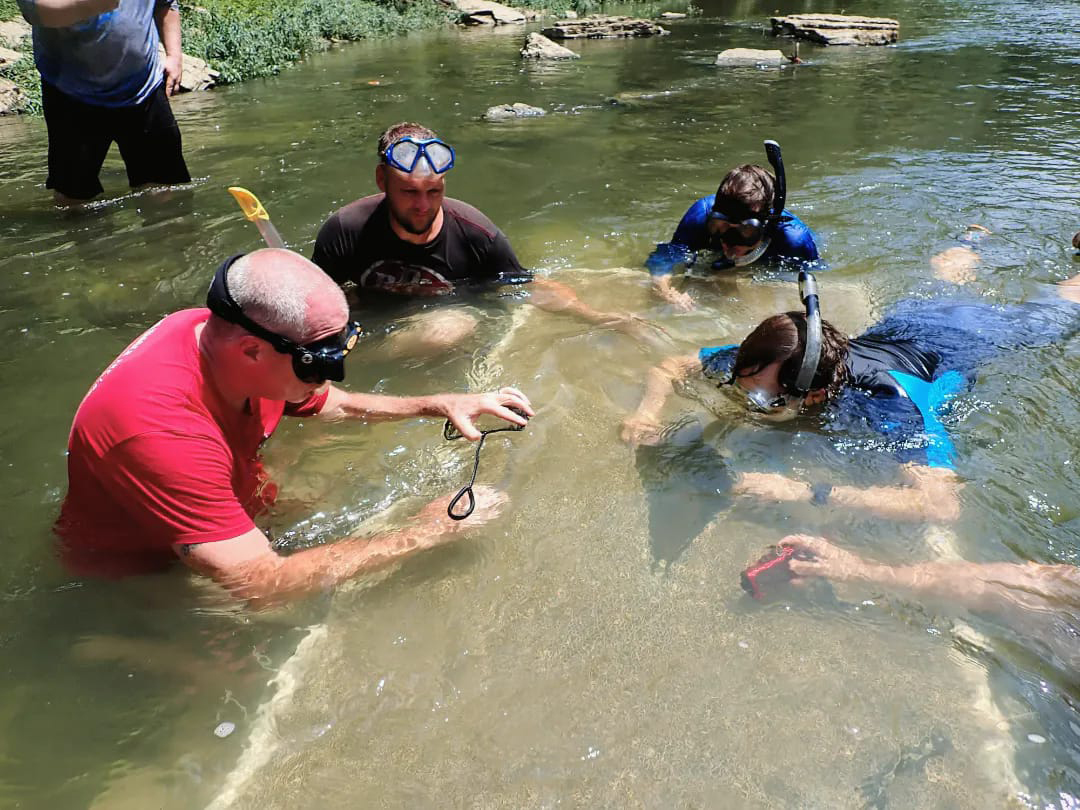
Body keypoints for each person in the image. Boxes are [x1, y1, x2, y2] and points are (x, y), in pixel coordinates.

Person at [56, 248, 534, 604]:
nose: (329, 375)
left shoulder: (222, 336)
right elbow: (260, 585)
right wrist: (428, 532)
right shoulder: (159, 431)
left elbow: (333, 404)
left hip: (223, 507)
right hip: (148, 578)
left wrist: (436, 403)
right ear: (251, 351)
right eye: (317, 363)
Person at [622, 272, 1080, 523]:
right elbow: (673, 364)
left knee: (1060, 307)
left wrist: (806, 492)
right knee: (945, 276)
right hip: (913, 317)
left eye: (762, 401)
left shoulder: (888, 406)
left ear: (817, 394)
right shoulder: (773, 361)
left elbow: (940, 506)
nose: (745, 400)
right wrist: (646, 412)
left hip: (975, 337)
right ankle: (972, 237)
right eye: (742, 386)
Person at [312, 121, 657, 358]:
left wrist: (600, 317)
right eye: (408, 192)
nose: (422, 205)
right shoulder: (345, 230)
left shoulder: (477, 234)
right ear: (381, 181)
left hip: (441, 323)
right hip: (372, 320)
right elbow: (309, 304)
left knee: (451, 327)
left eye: (434, 191)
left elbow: (530, 285)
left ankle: (362, 363)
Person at [17, 0, 190, 205]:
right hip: (72, 93)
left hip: (143, 87)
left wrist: (174, 55)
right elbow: (36, 12)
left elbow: (165, 4)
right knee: (73, 197)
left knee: (162, 187)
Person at [644, 141, 820, 311]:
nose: (729, 242)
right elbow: (666, 257)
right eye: (721, 226)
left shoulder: (794, 241)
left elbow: (808, 287)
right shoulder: (701, 215)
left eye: (746, 231)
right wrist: (666, 291)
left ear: (767, 225)